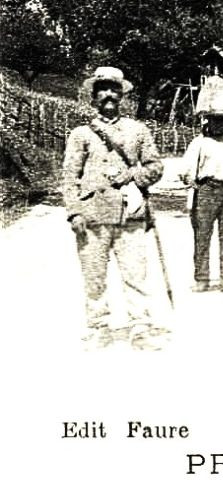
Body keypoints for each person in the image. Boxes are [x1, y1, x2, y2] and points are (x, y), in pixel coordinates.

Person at [60, 66, 168, 350]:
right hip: (92, 215)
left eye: (113, 89)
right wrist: (74, 212)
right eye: (102, 90)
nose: (108, 95)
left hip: (129, 214)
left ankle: (140, 328)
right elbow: (70, 176)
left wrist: (132, 175)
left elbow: (156, 167)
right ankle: (98, 326)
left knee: (135, 274)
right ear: (93, 97)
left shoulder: (137, 130)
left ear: (121, 95)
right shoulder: (80, 134)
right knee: (94, 276)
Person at [178, 104, 223, 293]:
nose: (219, 124)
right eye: (215, 120)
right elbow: (185, 168)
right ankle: (202, 278)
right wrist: (189, 180)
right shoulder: (199, 143)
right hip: (206, 190)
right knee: (202, 235)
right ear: (208, 121)